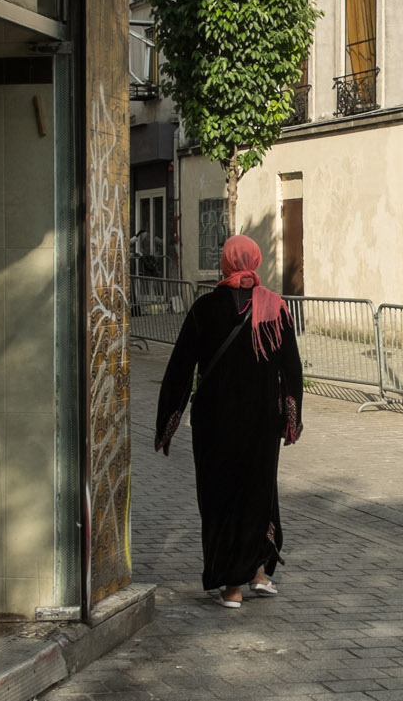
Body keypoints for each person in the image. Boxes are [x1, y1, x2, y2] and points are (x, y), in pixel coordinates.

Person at [155, 235, 304, 608]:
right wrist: (291, 420)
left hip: (214, 424)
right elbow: (293, 371)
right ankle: (257, 573)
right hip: (260, 423)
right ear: (255, 260)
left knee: (220, 497)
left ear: (225, 264)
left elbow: (179, 370)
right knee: (259, 493)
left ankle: (234, 586)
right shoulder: (275, 308)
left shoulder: (205, 308)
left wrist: (167, 424)